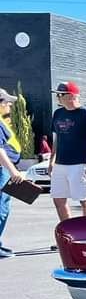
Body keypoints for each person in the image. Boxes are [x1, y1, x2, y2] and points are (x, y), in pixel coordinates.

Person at [49, 81, 86, 222]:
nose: (58, 97)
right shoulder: (57, 113)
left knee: (84, 200)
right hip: (60, 165)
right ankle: (69, 236)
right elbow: (56, 139)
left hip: (80, 164)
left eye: (60, 94)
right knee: (58, 200)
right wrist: (51, 161)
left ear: (72, 96)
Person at [0, 88, 27, 258]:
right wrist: (13, 170)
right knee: (1, 208)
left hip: (4, 170)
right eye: (6, 101)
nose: (10, 104)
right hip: (2, 170)